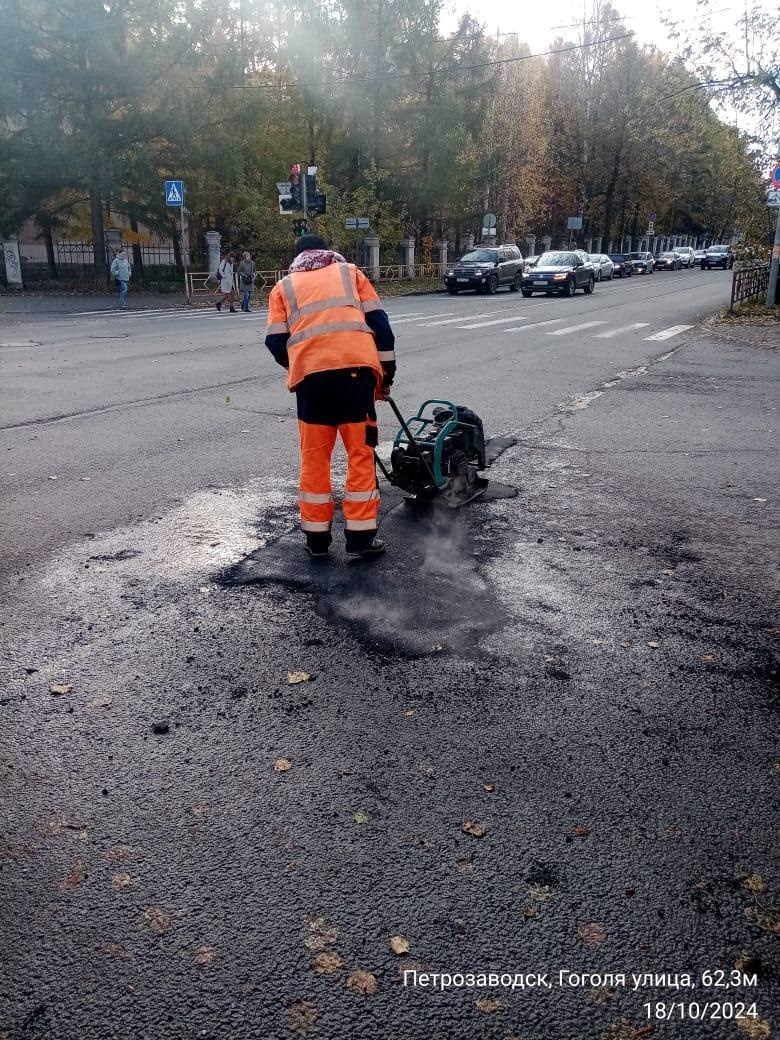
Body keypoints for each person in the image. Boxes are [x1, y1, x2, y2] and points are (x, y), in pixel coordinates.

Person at [265, 234, 396, 559]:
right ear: (328, 252)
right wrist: (386, 377)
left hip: (312, 385)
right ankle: (361, 539)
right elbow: (381, 327)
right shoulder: (350, 273)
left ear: (297, 259)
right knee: (360, 455)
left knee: (314, 460)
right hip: (356, 378)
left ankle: (317, 541)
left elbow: (275, 341)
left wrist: (302, 362)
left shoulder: (283, 287)